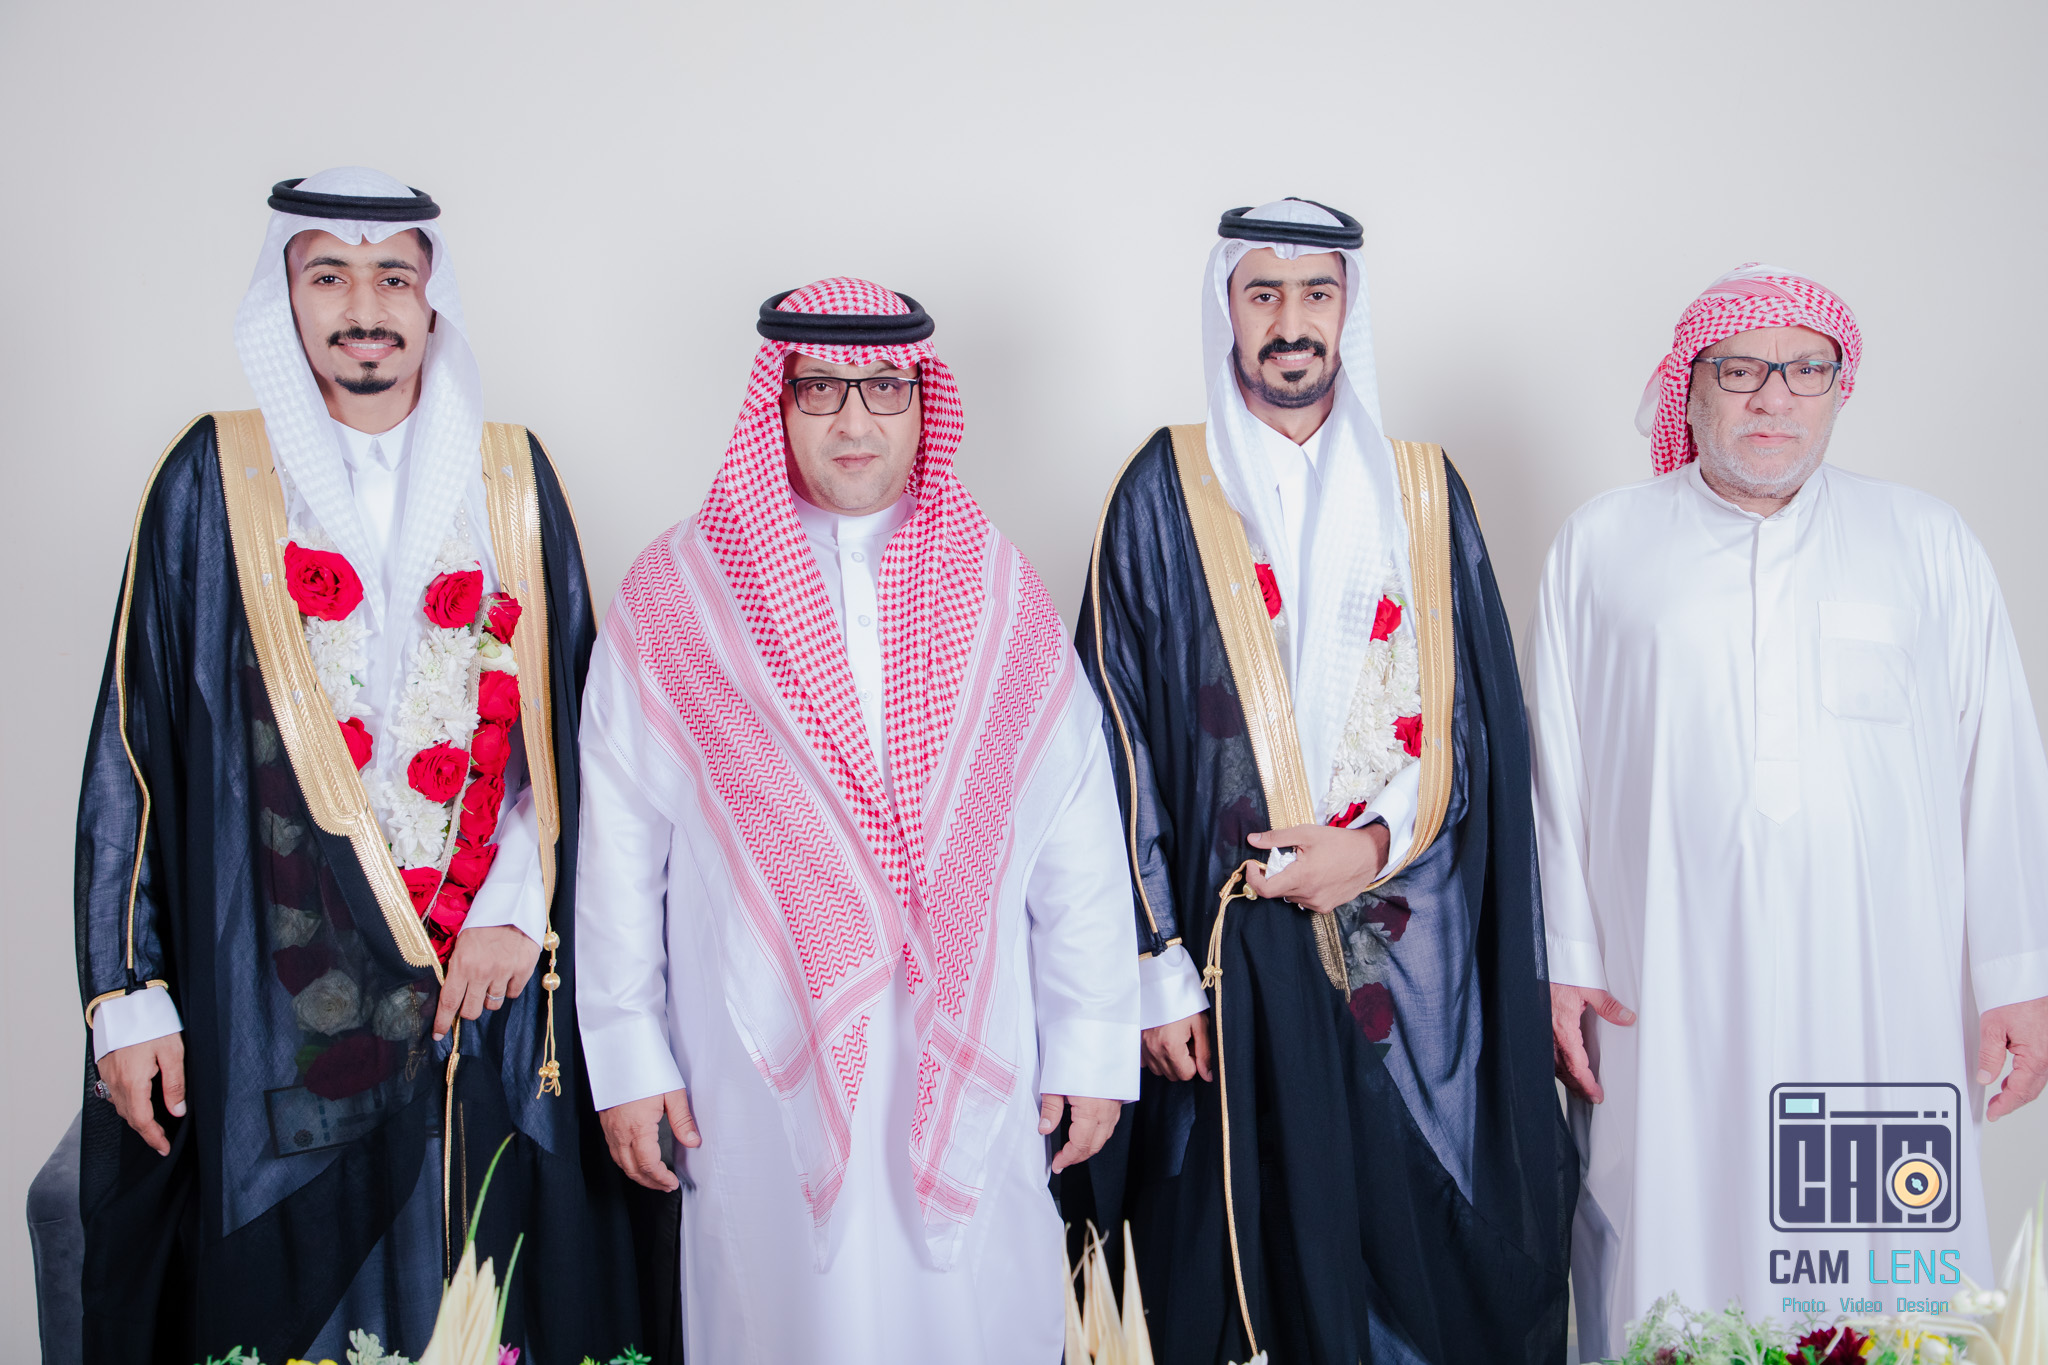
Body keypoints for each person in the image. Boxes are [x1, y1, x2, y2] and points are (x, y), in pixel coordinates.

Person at [73, 167, 655, 1363]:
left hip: (477, 981)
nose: (363, 308)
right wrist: (128, 993)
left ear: (433, 300)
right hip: (273, 985)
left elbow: (570, 731)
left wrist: (513, 908)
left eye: (393, 277)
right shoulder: (212, 478)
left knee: (485, 1279)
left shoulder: (510, 478)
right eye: (328, 276)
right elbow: (135, 739)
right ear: (285, 299)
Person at [573, 277, 1140, 1363]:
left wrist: (1089, 1043)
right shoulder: (679, 595)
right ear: (776, 403)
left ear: (922, 401)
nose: (852, 419)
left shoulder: (996, 587)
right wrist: (629, 1055)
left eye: (882, 387)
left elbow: (1072, 837)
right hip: (751, 1061)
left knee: (972, 1312)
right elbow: (619, 852)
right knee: (782, 1310)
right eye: (820, 388)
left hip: (969, 1033)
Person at [1071, 198, 1574, 1364]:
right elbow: (1111, 739)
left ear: (1349, 311)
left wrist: (1373, 845)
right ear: (1227, 311)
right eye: (1262, 294)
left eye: (1314, 294)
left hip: (1401, 942)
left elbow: (1474, 727)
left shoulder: (1422, 491)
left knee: (1413, 1259)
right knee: (1235, 1252)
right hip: (1217, 954)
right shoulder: (1162, 485)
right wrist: (1151, 967)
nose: (1289, 322)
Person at [1528, 264, 2048, 1357]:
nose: (1774, 397)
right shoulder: (1603, 543)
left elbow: (1997, 759)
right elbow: (1553, 769)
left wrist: (2015, 972)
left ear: (1839, 389)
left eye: (1806, 370)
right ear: (1690, 385)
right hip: (1664, 984)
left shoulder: (1925, 540)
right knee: (1674, 1238)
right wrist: (1563, 958)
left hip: (1880, 991)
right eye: (1742, 370)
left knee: (1871, 1262)